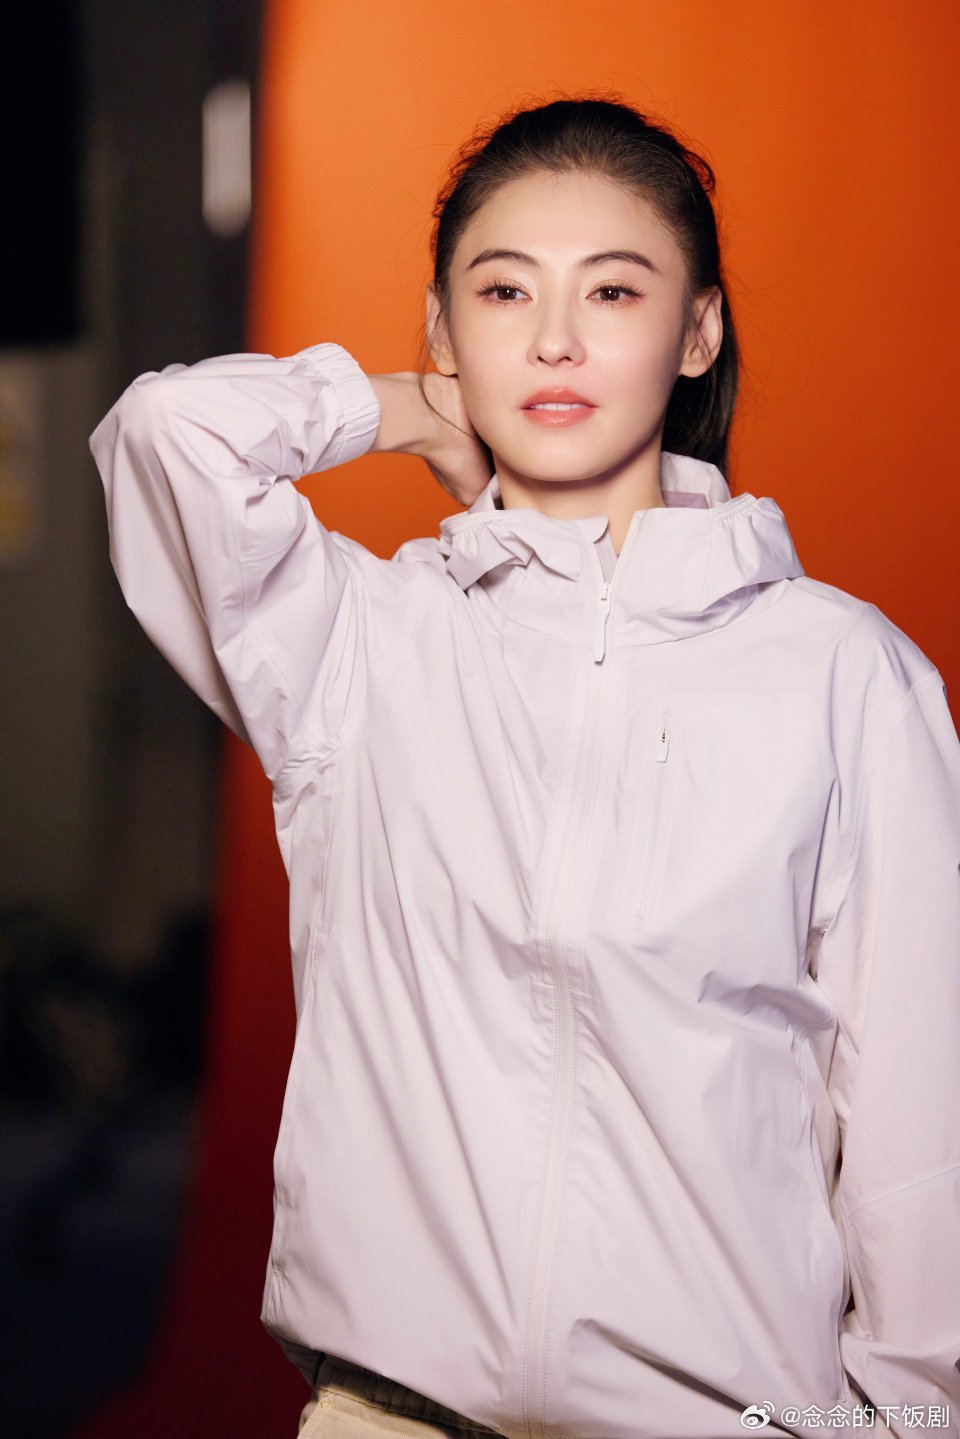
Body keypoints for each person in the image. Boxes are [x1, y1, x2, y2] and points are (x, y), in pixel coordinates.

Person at [88, 96, 960, 1439]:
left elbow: (921, 1117)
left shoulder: (843, 674)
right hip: (391, 1414)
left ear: (698, 333)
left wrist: (904, 1423)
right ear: (445, 332)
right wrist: (402, 410)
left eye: (613, 290)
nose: (555, 338)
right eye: (503, 291)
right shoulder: (361, 644)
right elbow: (166, 436)